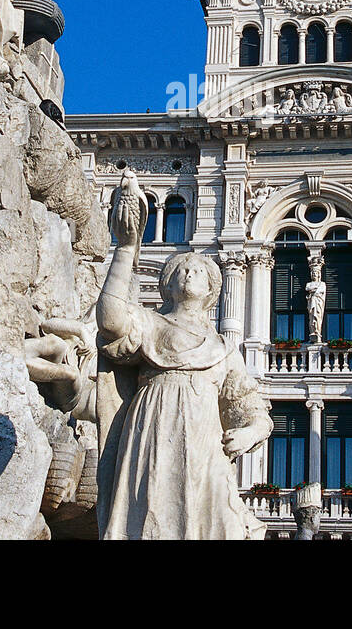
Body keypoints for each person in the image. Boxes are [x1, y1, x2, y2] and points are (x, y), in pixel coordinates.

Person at [94, 175, 273, 539]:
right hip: (153, 431)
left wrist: (250, 433)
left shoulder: (223, 348)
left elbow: (252, 407)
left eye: (199, 271)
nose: (190, 272)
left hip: (204, 443)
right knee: (148, 516)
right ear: (168, 285)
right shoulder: (150, 324)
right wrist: (127, 247)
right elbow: (111, 319)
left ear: (211, 290)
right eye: (181, 270)